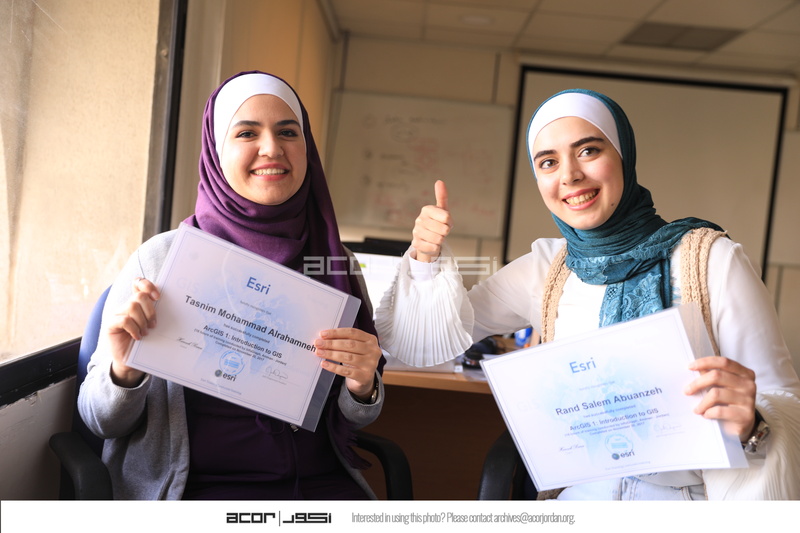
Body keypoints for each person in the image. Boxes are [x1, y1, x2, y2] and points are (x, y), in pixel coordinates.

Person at [375, 88, 800, 500]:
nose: (569, 175)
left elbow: (784, 400)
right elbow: (426, 341)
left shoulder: (712, 260)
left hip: (685, 499)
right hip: (580, 496)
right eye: (548, 162)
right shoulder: (547, 266)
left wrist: (753, 423)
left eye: (589, 151)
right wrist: (425, 260)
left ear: (624, 156)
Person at [78, 71, 385, 500]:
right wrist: (125, 371)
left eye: (288, 132)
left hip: (318, 486)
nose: (272, 148)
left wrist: (363, 386)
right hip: (197, 490)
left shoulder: (334, 261)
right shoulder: (162, 259)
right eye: (247, 133)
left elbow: (358, 417)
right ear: (216, 151)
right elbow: (102, 421)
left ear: (307, 149)